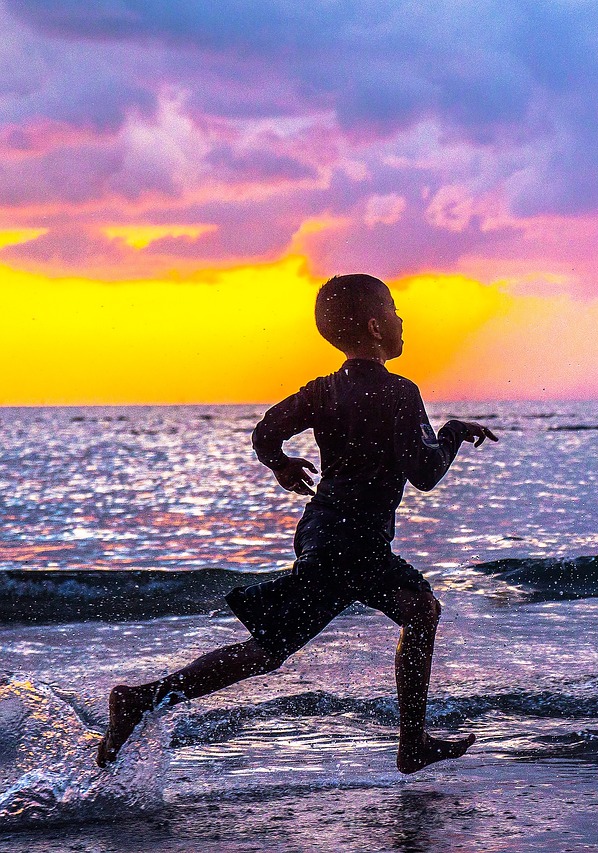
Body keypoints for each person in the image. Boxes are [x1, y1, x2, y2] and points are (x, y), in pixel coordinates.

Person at [97, 274, 497, 772]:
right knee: (420, 609)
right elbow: (425, 473)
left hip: (324, 533)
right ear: (375, 326)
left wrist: (282, 465)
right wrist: (454, 433)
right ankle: (411, 743)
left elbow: (266, 432)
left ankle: (142, 699)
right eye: (394, 310)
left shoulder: (323, 390)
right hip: (355, 542)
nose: (402, 319)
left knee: (268, 650)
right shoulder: (400, 391)